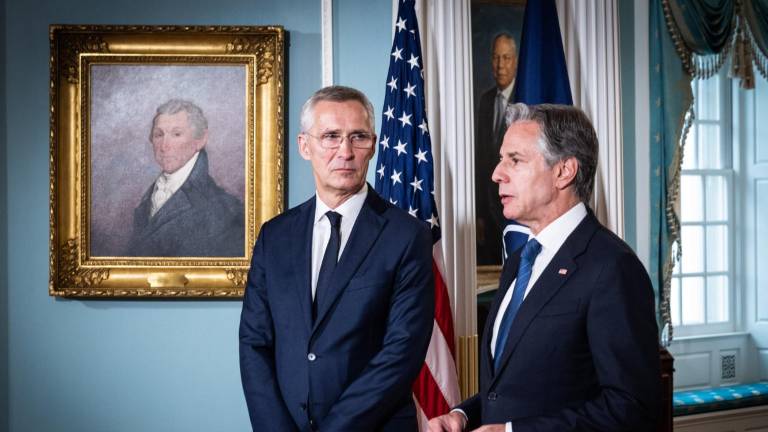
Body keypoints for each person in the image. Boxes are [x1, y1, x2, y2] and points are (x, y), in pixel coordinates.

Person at [429, 104, 659, 431]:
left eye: (515, 160)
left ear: (564, 171)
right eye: (501, 159)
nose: (497, 173)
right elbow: (516, 389)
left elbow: (632, 408)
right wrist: (464, 415)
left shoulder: (612, 268)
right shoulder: (521, 261)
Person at [239, 86, 434, 431]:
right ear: (304, 146)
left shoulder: (408, 236)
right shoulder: (275, 236)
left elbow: (401, 353)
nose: (345, 151)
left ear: (373, 145)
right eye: (330, 136)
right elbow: (255, 342)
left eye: (357, 137)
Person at [127, 99, 244, 257]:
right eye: (158, 135)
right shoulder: (148, 198)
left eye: (176, 134)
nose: (164, 146)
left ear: (200, 140)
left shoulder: (225, 209)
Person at [476, 33, 519, 265]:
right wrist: (480, 213)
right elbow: (481, 160)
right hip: (489, 210)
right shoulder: (485, 101)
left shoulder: (526, 99)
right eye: (495, 57)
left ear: (516, 61)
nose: (500, 65)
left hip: (517, 203)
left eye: (506, 57)